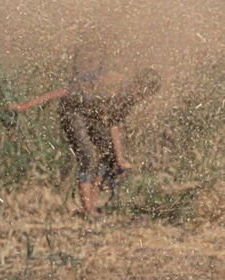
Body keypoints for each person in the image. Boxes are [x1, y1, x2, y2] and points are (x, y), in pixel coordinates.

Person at [9, 65, 160, 217]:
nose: (139, 97)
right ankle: (88, 210)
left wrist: (119, 158)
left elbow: (113, 124)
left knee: (109, 154)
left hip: (92, 115)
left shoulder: (129, 99)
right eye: (140, 92)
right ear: (136, 82)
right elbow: (65, 91)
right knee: (87, 156)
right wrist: (26, 105)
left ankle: (91, 206)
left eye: (143, 96)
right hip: (72, 111)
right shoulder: (110, 85)